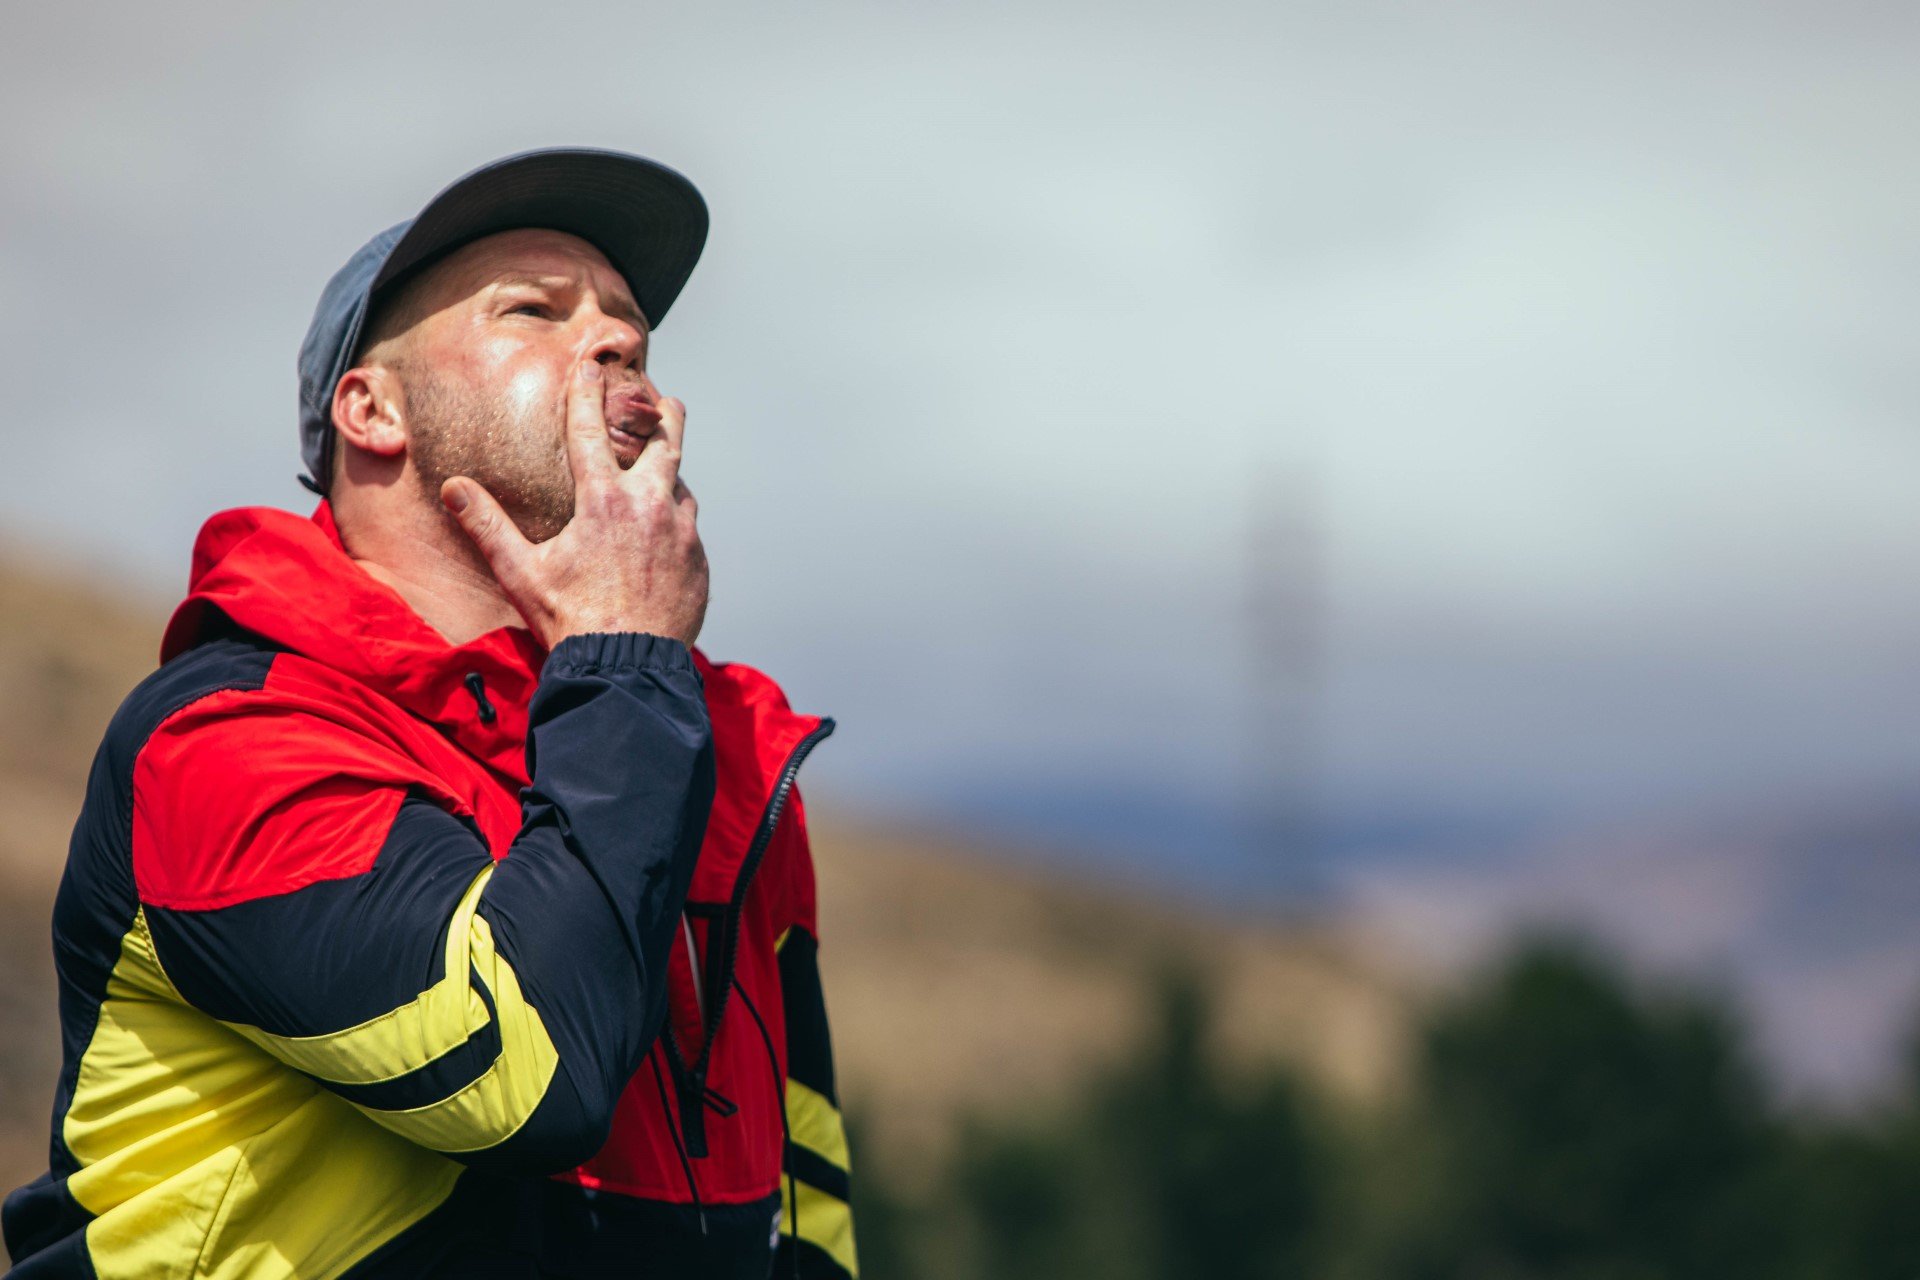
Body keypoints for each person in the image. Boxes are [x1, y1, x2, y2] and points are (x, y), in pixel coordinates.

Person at [1, 149, 856, 1279]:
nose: (616, 341)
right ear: (373, 408)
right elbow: (524, 1071)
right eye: (535, 310)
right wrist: (629, 657)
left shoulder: (721, 764)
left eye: (630, 326)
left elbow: (811, 1216)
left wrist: (631, 681)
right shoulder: (225, 742)